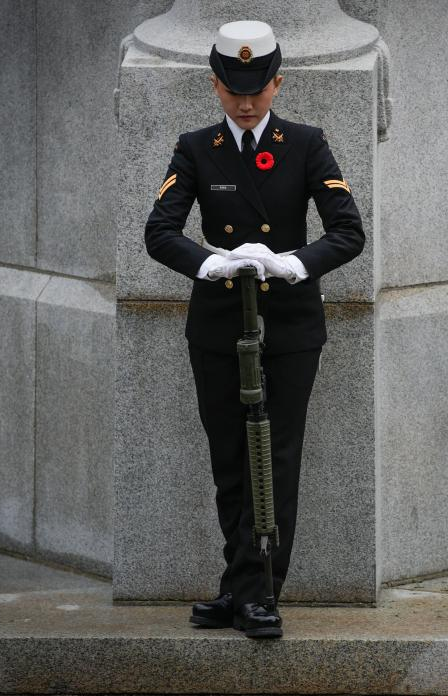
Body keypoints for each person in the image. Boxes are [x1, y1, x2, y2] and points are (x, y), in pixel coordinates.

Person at [143, 19, 364, 639]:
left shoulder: (307, 143)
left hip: (289, 327)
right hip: (218, 324)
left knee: (277, 456)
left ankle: (260, 591)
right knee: (230, 459)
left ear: (278, 82)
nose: (246, 102)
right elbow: (159, 232)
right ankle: (241, 583)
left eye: (259, 88)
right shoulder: (195, 149)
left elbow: (349, 231)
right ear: (215, 85)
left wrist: (291, 263)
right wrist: (212, 261)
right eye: (234, 89)